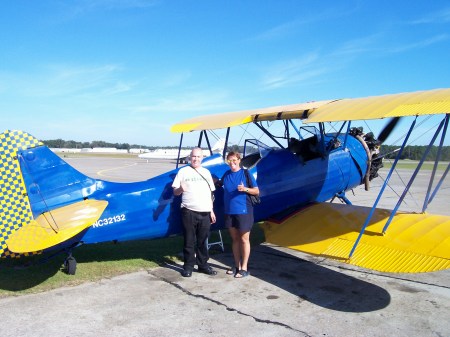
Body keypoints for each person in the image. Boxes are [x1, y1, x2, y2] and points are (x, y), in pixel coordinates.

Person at [172, 147, 217, 277]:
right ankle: (188, 267)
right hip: (188, 211)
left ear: (202, 158)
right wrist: (181, 188)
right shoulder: (183, 171)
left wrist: (211, 210)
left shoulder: (207, 172)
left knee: (203, 241)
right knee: (189, 240)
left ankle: (203, 265)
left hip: (205, 212)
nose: (195, 159)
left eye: (198, 156)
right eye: (193, 156)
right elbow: (175, 192)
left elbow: (210, 194)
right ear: (190, 157)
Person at [221, 151, 259, 278]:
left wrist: (245, 189)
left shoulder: (245, 173)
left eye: (234, 160)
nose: (232, 163)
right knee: (235, 239)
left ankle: (244, 267)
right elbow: (219, 184)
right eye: (229, 161)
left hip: (244, 210)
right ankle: (236, 265)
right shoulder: (226, 174)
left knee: (244, 239)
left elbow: (256, 191)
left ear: (239, 160)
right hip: (229, 211)